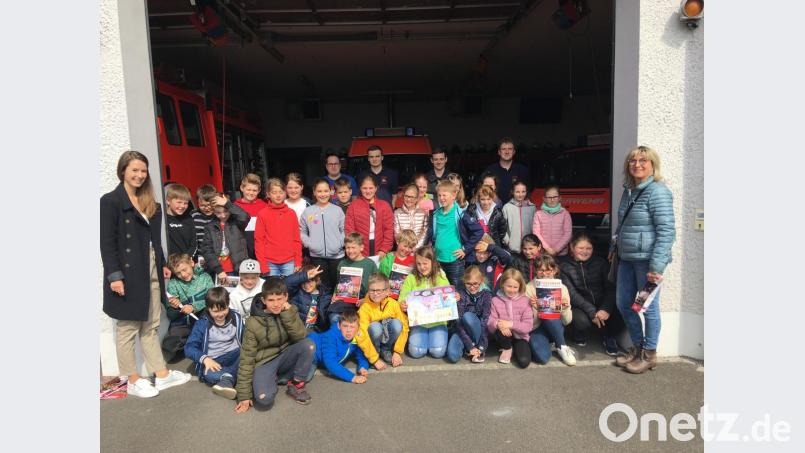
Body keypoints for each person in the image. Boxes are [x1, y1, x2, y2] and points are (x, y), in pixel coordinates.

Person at [100, 150, 190, 398]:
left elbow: (154, 240)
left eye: (143, 171)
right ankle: (132, 379)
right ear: (123, 171)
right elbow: (107, 243)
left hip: (150, 266)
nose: (139, 175)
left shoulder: (150, 202)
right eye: (134, 170)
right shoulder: (110, 201)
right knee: (128, 326)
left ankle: (161, 374)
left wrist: (161, 263)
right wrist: (114, 276)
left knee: (151, 325)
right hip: (127, 271)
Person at [612, 146, 675, 374]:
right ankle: (637, 347)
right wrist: (614, 247)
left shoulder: (658, 191)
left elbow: (666, 231)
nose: (637, 164)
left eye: (643, 161)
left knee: (647, 308)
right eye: (633, 161)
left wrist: (656, 266)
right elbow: (623, 224)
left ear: (652, 165)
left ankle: (649, 354)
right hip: (627, 258)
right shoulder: (629, 190)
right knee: (624, 304)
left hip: (646, 261)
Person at [235, 277, 315, 412]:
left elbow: (300, 336)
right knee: (264, 400)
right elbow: (247, 358)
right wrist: (244, 395)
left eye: (279, 299)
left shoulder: (289, 310)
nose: (276, 304)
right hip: (265, 361)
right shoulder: (253, 323)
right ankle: (274, 378)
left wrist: (288, 314)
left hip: (285, 356)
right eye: (271, 300)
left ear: (286, 297)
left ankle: (295, 385)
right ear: (263, 300)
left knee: (309, 345)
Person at [559, 233, 623, 354]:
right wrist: (592, 312)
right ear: (572, 247)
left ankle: (609, 336)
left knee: (622, 312)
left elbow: (610, 288)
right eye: (581, 248)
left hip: (601, 302)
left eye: (589, 248)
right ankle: (579, 333)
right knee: (581, 322)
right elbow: (572, 294)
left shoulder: (601, 262)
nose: (585, 251)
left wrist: (605, 308)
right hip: (580, 306)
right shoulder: (564, 266)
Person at [184, 287, 245, 399]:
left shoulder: (236, 317)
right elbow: (189, 348)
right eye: (216, 311)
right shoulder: (202, 323)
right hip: (214, 360)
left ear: (228, 304)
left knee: (247, 354)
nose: (220, 314)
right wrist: (205, 359)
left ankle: (227, 379)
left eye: (224, 309)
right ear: (208, 308)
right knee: (207, 373)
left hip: (235, 354)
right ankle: (231, 378)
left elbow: (246, 337)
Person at [425, 180, 483, 289]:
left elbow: (479, 231)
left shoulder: (461, 214)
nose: (441, 198)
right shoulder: (436, 214)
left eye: (444, 195)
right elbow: (432, 234)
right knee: (439, 289)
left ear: (453, 195)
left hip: (454, 260)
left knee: (456, 290)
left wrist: (465, 249)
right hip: (438, 259)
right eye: (439, 195)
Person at [399, 246, 450, 359]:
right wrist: (402, 303)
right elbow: (403, 295)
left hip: (438, 322)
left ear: (433, 262)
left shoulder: (440, 276)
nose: (422, 267)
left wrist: (453, 297)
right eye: (419, 264)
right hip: (419, 323)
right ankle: (424, 340)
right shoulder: (411, 278)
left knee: (438, 352)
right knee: (416, 352)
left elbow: (447, 296)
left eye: (425, 263)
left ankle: (436, 337)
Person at [525, 255, 576, 366]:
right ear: (535, 270)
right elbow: (529, 324)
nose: (544, 274)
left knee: (550, 312)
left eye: (548, 270)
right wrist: (535, 307)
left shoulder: (562, 288)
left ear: (555, 270)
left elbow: (567, 321)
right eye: (541, 270)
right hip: (537, 327)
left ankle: (562, 346)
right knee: (542, 358)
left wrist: (564, 308)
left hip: (556, 324)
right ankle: (553, 342)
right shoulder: (528, 288)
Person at [163, 253, 213, 359]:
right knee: (169, 345)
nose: (183, 275)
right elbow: (170, 315)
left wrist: (194, 307)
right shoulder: (173, 284)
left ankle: (198, 342)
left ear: (191, 263)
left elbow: (212, 300)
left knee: (209, 326)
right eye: (178, 273)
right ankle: (193, 342)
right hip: (184, 322)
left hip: (202, 318)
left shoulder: (205, 277)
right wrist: (174, 307)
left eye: (184, 269)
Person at [301, 178, 345, 290]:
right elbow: (302, 231)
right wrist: (310, 244)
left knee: (338, 286)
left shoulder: (337, 210)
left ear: (331, 191)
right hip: (317, 257)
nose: (323, 194)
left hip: (337, 256)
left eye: (325, 191)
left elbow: (345, 230)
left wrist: (339, 244)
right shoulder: (308, 211)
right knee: (322, 287)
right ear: (314, 192)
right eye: (319, 191)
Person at [357, 273, 409, 369]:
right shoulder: (365, 308)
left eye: (379, 290)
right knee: (375, 327)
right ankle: (376, 352)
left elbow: (405, 327)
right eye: (372, 290)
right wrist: (374, 359)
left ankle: (386, 349)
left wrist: (397, 352)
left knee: (397, 324)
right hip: (373, 341)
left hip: (386, 337)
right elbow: (361, 335)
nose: (375, 293)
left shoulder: (394, 304)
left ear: (387, 291)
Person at [254, 178, 302, 276]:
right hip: (269, 262)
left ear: (285, 193)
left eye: (281, 192)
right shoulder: (262, 214)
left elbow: (296, 239)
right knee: (272, 286)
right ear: (268, 194)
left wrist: (298, 261)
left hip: (289, 261)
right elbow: (259, 240)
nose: (278, 195)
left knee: (290, 286)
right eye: (274, 192)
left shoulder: (291, 213)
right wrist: (262, 264)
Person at [306, 308, 370, 383]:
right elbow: (330, 362)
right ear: (339, 326)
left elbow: (361, 356)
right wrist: (352, 377)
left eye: (352, 327)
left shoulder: (356, 338)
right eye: (345, 326)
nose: (348, 330)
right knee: (304, 377)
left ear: (358, 328)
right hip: (310, 351)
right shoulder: (330, 337)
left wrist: (363, 367)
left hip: (322, 360)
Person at [486, 268, 533, 368]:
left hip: (520, 336)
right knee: (500, 329)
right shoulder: (495, 300)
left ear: (520, 286)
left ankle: (516, 348)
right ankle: (507, 348)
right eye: (509, 286)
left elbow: (528, 326)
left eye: (515, 287)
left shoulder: (525, 301)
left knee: (523, 361)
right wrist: (498, 324)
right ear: (503, 284)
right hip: (503, 336)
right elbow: (490, 321)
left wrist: (510, 324)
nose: (512, 290)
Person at [329, 233, 378, 325]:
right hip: (345, 299)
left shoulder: (370, 264)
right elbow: (338, 283)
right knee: (334, 317)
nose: (350, 251)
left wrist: (366, 299)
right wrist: (335, 295)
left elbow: (376, 286)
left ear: (361, 247)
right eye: (348, 248)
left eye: (353, 247)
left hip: (363, 299)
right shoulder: (342, 263)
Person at [446, 265, 492, 364]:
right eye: (468, 284)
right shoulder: (460, 293)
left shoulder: (486, 294)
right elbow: (458, 321)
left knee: (468, 317)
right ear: (464, 281)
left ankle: (477, 350)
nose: (472, 287)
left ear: (481, 281)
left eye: (475, 284)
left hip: (478, 330)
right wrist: (470, 346)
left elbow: (485, 321)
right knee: (452, 356)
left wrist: (481, 347)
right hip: (462, 330)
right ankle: (469, 348)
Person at [200, 198, 249, 283]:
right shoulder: (210, 227)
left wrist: (227, 204)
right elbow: (207, 250)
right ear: (213, 211)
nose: (223, 215)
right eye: (218, 213)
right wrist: (218, 270)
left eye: (225, 211)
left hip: (237, 268)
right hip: (219, 271)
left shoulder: (236, 223)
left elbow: (244, 216)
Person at [345, 174, 394, 259]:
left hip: (380, 248)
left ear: (376, 188)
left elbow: (389, 230)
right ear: (360, 188)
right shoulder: (353, 205)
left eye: (371, 188)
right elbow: (349, 230)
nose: (368, 191)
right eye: (364, 188)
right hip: (359, 249)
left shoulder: (384, 206)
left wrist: (384, 249)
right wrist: (355, 249)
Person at [285, 264, 332, 332]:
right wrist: (305, 276)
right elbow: (286, 283)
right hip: (298, 329)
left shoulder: (325, 294)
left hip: (316, 331)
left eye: (310, 281)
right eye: (303, 282)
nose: (306, 285)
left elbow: (325, 317)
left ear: (317, 280)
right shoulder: (296, 291)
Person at [483, 137, 530, 204]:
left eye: (510, 149)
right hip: (494, 208)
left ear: (514, 152)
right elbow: (483, 190)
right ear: (499, 152)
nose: (507, 152)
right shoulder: (490, 170)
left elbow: (528, 193)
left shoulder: (523, 170)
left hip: (517, 208)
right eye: (504, 149)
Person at [234, 173, 268, 260]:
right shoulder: (235, 207)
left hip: (260, 250)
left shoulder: (264, 206)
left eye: (254, 190)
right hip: (240, 250)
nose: (251, 193)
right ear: (242, 188)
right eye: (248, 189)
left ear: (259, 191)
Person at [532, 185, 572, 256]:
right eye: (549, 197)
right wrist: (547, 249)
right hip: (544, 253)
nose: (552, 200)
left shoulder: (565, 214)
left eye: (555, 197)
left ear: (559, 198)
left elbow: (568, 234)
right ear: (544, 199)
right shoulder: (538, 214)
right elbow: (536, 233)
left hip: (561, 254)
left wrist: (556, 249)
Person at [379, 229, 417, 299]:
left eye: (410, 247)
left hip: (406, 298)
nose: (407, 249)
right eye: (405, 246)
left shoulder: (414, 261)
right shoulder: (387, 259)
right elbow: (381, 278)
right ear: (398, 242)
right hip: (389, 297)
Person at [502, 180, 536, 253]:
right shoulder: (507, 207)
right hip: (512, 248)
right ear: (512, 192)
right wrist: (507, 241)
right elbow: (502, 227)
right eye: (517, 192)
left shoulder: (532, 207)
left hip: (529, 249)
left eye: (523, 192)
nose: (520, 194)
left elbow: (536, 227)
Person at [164, 183, 197, 258]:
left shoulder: (189, 219)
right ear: (168, 201)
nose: (182, 206)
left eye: (185, 203)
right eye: (179, 202)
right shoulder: (162, 219)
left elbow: (194, 245)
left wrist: (186, 259)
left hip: (185, 261)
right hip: (168, 262)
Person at [394, 183, 429, 249]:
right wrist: (405, 248)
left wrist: (416, 247)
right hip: (402, 250)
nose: (409, 199)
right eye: (406, 196)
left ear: (417, 198)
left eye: (412, 197)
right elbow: (397, 234)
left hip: (418, 250)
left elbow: (425, 233)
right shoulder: (397, 213)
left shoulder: (423, 213)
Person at [191, 184, 221, 262]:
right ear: (197, 203)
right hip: (200, 256)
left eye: (209, 205)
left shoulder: (219, 215)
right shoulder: (194, 215)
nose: (207, 208)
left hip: (218, 256)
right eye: (202, 205)